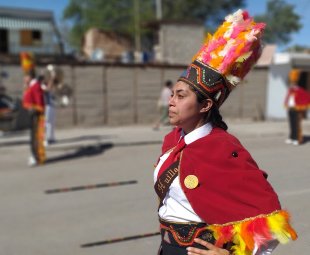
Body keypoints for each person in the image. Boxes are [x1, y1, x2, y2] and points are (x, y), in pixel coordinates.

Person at [153, 10, 297, 255]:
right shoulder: (172, 140)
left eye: (181, 96)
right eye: (173, 94)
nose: (171, 101)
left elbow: (270, 221)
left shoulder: (223, 147)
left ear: (206, 105)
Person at [22, 69, 46, 166]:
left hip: (35, 115)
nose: (24, 79)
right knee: (33, 137)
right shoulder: (31, 86)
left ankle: (36, 157)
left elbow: (39, 102)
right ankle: (34, 155)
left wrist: (34, 108)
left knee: (35, 137)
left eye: (25, 76)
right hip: (32, 114)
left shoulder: (35, 86)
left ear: (30, 77)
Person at [284, 69, 310, 145]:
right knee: (291, 124)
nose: (291, 84)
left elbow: (306, 96)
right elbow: (288, 99)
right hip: (290, 109)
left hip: (297, 110)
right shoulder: (290, 90)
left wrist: (303, 106)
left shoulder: (299, 90)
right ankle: (291, 137)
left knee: (296, 125)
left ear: (295, 82)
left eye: (293, 82)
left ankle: (297, 139)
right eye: (291, 82)